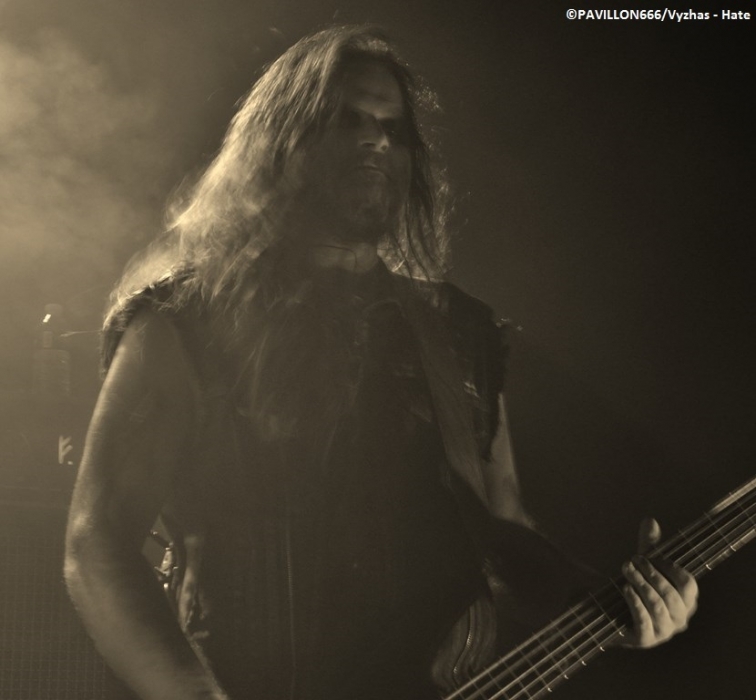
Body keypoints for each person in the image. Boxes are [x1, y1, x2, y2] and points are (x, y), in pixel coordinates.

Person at [64, 25, 698, 700]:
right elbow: (97, 547)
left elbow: (500, 528)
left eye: (392, 129)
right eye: (346, 120)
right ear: (278, 144)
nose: (375, 141)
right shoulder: (184, 322)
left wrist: (606, 603)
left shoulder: (458, 332)